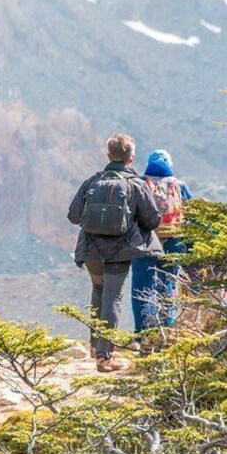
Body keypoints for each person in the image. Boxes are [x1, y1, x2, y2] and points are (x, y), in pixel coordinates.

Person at [68, 133, 162, 372]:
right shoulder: (136, 185)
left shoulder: (92, 182)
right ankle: (104, 356)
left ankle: (94, 346)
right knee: (113, 298)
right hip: (120, 252)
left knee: (98, 291)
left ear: (109, 155)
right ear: (131, 158)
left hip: (91, 250)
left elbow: (73, 216)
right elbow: (152, 220)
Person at [131, 150, 193, 332]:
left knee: (142, 286)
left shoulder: (141, 183)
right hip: (174, 241)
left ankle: (143, 332)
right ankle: (167, 328)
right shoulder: (179, 186)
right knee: (169, 284)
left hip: (146, 241)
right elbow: (192, 215)